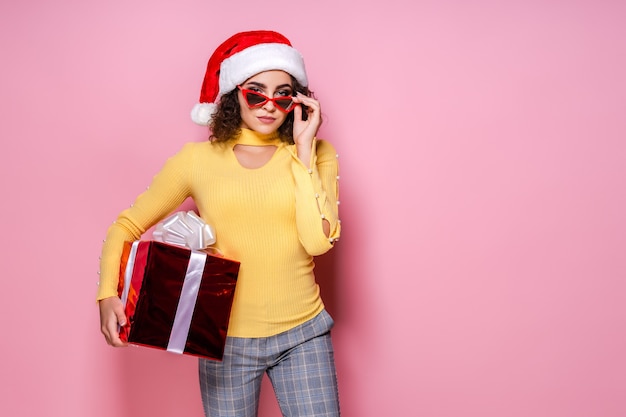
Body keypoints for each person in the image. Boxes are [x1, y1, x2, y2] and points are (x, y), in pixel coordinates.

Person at [96, 30, 341, 417]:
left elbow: (316, 241)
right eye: (255, 92)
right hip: (224, 340)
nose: (269, 105)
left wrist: (304, 150)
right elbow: (126, 225)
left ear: (297, 100)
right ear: (234, 94)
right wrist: (108, 294)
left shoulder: (316, 153)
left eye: (283, 94)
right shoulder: (197, 160)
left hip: (303, 334)